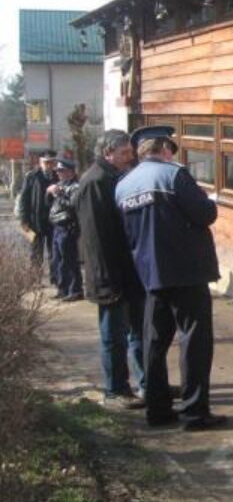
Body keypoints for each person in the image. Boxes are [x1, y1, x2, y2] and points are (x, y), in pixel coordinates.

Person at [115, 125, 226, 431]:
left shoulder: (123, 185)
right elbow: (205, 214)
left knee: (154, 343)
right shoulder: (174, 175)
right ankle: (195, 413)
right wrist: (208, 200)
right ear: (164, 149)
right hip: (187, 273)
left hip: (150, 276)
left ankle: (157, 409)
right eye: (170, 148)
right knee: (194, 342)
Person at [74, 130, 147, 410]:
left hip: (128, 273)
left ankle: (147, 383)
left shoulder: (116, 178)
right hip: (110, 277)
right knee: (113, 336)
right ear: (108, 153)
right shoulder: (95, 182)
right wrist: (107, 280)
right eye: (125, 153)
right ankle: (115, 389)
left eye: (130, 152)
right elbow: (94, 239)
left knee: (138, 331)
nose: (130, 157)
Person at [19, 150, 58, 283]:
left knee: (54, 252)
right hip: (35, 222)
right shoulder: (32, 176)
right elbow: (24, 199)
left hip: (53, 221)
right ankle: (35, 280)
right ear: (40, 162)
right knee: (36, 253)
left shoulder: (58, 176)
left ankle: (55, 278)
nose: (49, 165)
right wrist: (24, 220)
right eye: (46, 162)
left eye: (51, 162)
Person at [47, 157, 83, 301]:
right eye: (58, 171)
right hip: (57, 227)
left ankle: (75, 289)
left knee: (68, 259)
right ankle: (62, 288)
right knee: (57, 259)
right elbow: (52, 205)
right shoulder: (61, 185)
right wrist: (51, 193)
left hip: (67, 227)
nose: (59, 174)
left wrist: (58, 193)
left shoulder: (75, 187)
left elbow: (72, 206)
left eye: (62, 171)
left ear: (71, 172)